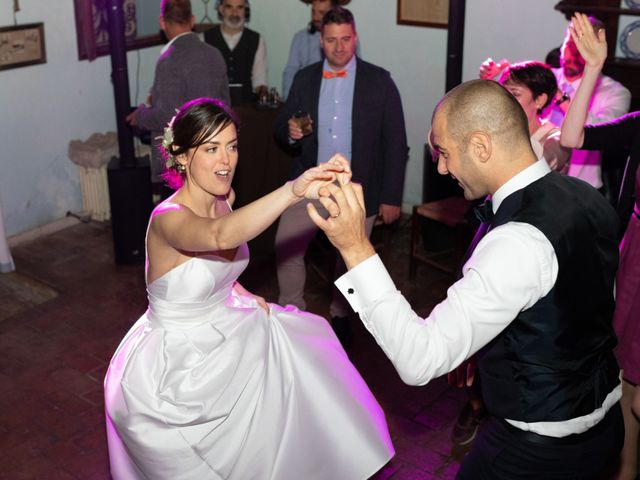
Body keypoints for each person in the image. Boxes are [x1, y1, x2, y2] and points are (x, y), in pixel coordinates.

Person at [309, 79, 624, 478]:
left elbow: (419, 359)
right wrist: (483, 346)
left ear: (481, 146)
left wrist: (355, 247)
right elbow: (573, 306)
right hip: (604, 427)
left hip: (537, 453)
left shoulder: (517, 241)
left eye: (444, 152)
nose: (441, 167)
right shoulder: (586, 195)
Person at [104, 98, 394, 479]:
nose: (226, 160)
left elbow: (216, 267)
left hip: (222, 330)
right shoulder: (167, 219)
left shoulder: (227, 200)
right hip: (173, 366)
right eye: (211, 148)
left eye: (232, 145)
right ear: (182, 155)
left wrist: (238, 292)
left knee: (301, 355)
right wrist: (293, 190)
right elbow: (219, 236)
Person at [273, 6, 408, 348]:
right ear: (321, 41)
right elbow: (281, 126)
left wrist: (391, 197)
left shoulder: (379, 81)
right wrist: (290, 132)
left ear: (355, 38)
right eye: (331, 40)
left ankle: (340, 315)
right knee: (286, 249)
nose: (339, 47)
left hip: (356, 189)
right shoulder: (305, 78)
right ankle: (293, 315)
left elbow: (396, 143)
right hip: (309, 184)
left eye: (345, 39)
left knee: (347, 261)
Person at [561, 13, 640, 480]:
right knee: (626, 379)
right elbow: (571, 138)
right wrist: (592, 69)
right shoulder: (638, 126)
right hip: (634, 257)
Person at [480, 16, 630, 194]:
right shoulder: (547, 75)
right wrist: (494, 80)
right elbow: (514, 105)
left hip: (579, 190)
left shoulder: (615, 92)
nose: (571, 54)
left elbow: (603, 133)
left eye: (580, 48)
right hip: (529, 184)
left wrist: (560, 97)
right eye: (569, 45)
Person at [126, 0, 230, 196]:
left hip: (183, 164)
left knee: (178, 223)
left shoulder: (169, 59)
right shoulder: (214, 54)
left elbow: (166, 115)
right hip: (213, 154)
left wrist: (140, 115)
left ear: (162, 22)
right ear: (192, 20)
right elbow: (226, 106)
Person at [499, 61, 570, 172]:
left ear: (539, 100)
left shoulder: (555, 138)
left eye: (515, 94)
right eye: (503, 93)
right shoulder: (498, 131)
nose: (505, 100)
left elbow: (541, 162)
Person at [281, 0, 349, 100]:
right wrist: (289, 101)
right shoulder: (300, 38)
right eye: (313, 12)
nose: (316, 17)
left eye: (322, 13)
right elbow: (290, 72)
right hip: (307, 100)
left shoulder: (347, 38)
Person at [204, 0, 267, 105]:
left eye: (240, 8)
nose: (234, 13)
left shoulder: (257, 40)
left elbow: (259, 80)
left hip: (247, 108)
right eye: (229, 7)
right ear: (221, 9)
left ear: (245, 10)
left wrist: (263, 95)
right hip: (215, 109)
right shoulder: (204, 39)